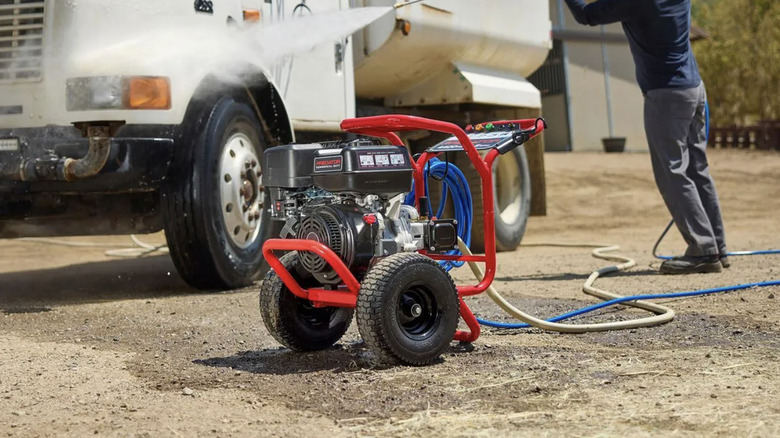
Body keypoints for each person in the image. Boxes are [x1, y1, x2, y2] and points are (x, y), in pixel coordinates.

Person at [563, 0, 728, 274]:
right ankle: (717, 247)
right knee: (697, 169)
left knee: (672, 171)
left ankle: (703, 249)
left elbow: (586, 15)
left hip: (667, 95)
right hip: (694, 89)